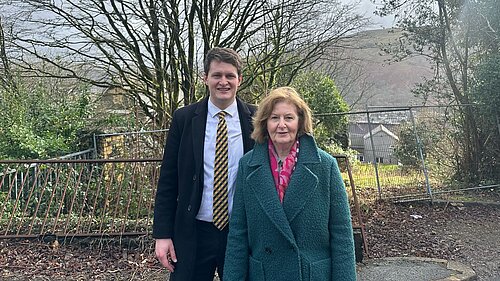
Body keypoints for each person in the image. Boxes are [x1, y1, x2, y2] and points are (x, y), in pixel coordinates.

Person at [223, 86, 357, 281]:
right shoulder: (248, 165)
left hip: (311, 275)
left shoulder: (325, 165)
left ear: (300, 121)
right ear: (265, 123)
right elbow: (238, 233)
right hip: (264, 275)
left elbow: (342, 234)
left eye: (289, 118)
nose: (281, 125)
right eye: (274, 118)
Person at [153, 47, 257, 281]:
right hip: (194, 233)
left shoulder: (256, 119)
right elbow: (168, 180)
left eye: (230, 76)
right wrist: (162, 235)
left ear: (239, 79)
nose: (223, 81)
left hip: (241, 233)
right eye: (217, 75)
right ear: (205, 78)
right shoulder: (184, 119)